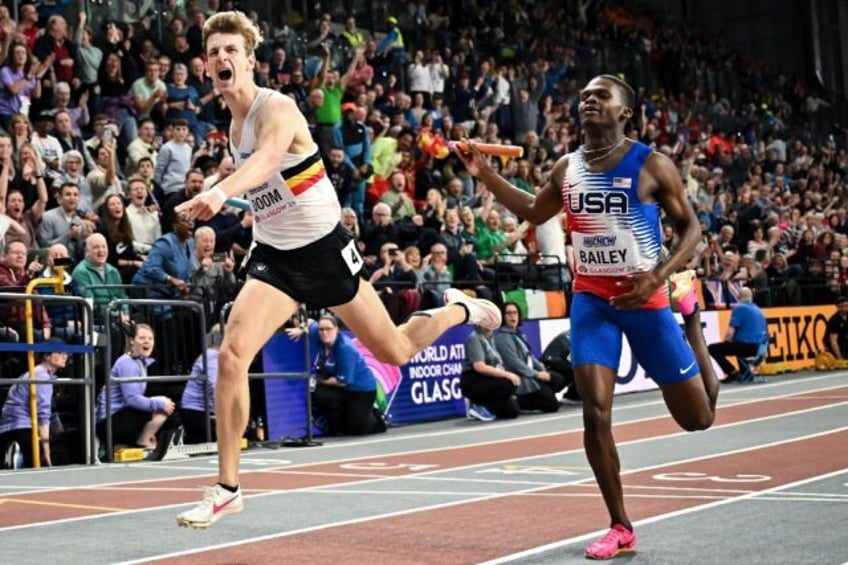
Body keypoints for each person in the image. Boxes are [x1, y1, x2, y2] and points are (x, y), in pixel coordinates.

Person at [174, 11, 500, 529]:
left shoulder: (274, 108)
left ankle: (460, 309)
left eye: (230, 50)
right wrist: (224, 204)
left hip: (325, 251)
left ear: (249, 58)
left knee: (394, 347)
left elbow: (267, 161)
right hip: (276, 259)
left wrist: (220, 189)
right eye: (213, 51)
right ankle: (227, 487)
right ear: (205, 63)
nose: (221, 58)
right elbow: (267, 189)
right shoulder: (232, 125)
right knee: (231, 355)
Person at [453, 74, 720, 559]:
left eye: (602, 96)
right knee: (595, 414)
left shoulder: (652, 164)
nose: (589, 101)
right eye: (584, 97)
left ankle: (693, 323)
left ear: (625, 111)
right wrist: (484, 173)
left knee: (698, 419)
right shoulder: (567, 167)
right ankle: (620, 525)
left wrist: (659, 276)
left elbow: (691, 228)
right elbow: (535, 213)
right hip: (592, 299)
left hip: (647, 298)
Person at [287, 314, 386, 436]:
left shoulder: (345, 348)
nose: (324, 333)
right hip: (340, 388)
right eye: (321, 329)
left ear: (336, 329)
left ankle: (376, 417)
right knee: (318, 394)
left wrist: (318, 380)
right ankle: (336, 428)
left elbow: (342, 382)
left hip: (361, 389)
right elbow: (311, 321)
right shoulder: (317, 334)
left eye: (328, 329)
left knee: (357, 430)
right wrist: (301, 329)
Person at [95, 323, 177, 457]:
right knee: (163, 404)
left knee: (167, 408)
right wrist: (160, 403)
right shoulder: (127, 363)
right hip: (109, 421)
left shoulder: (140, 363)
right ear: (132, 340)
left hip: (120, 416)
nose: (147, 341)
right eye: (142, 338)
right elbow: (132, 399)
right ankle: (143, 442)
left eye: (150, 339)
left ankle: (140, 441)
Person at [0, 339, 68, 469]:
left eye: (66, 352)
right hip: (23, 428)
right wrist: (46, 448)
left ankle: (16, 453)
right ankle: (21, 457)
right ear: (47, 356)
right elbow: (43, 414)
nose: (65, 356)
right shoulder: (42, 376)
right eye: (59, 352)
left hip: (7, 430)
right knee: (56, 454)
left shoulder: (34, 372)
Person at [494, 302, 561, 413]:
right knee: (552, 405)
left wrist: (541, 368)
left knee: (556, 378)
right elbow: (514, 362)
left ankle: (544, 395)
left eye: (515, 313)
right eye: (508, 313)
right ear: (503, 316)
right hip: (520, 377)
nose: (512, 316)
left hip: (530, 372)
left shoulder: (519, 334)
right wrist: (536, 374)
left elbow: (529, 356)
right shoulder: (502, 338)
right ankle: (518, 401)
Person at [461, 323, 521, 422]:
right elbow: (479, 367)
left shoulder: (492, 339)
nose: (489, 324)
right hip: (473, 380)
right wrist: (507, 374)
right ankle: (475, 403)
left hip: (488, 379)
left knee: (512, 412)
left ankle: (485, 406)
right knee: (508, 383)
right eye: (486, 321)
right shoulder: (474, 338)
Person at [707, 287, 768, 381]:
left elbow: (730, 332)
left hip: (746, 347)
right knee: (737, 345)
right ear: (751, 296)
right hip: (761, 348)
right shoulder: (759, 310)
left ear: (739, 297)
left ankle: (732, 372)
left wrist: (725, 342)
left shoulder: (739, 308)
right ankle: (745, 373)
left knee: (713, 348)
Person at [181, 324, 222, 444]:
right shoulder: (211, 358)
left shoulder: (215, 356)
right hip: (196, 413)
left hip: (202, 412)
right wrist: (221, 416)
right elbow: (215, 387)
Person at [824, 295, 848, 360]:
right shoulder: (834, 321)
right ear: (837, 307)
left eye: (846, 306)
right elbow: (833, 342)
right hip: (834, 344)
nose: (844, 308)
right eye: (841, 306)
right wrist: (840, 358)